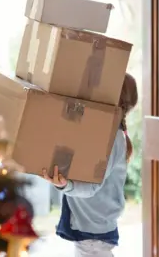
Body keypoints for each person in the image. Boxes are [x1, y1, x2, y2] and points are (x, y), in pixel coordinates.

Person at [42, 73, 138, 257]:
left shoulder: (112, 139)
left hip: (94, 228)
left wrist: (65, 185)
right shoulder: (102, 132)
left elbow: (91, 186)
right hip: (91, 223)